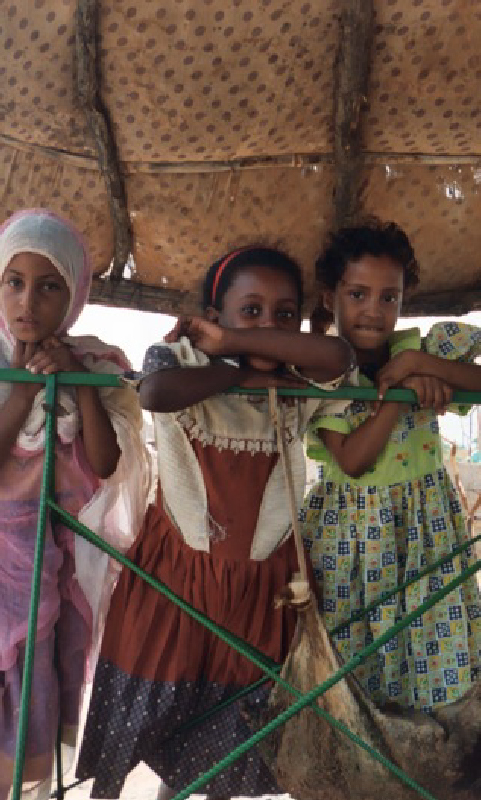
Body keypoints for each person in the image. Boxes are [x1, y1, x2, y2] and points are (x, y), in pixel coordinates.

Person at [75, 246, 354, 799]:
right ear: (213, 318)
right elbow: (155, 393)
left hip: (260, 591)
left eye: (284, 315)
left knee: (232, 729)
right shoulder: (181, 361)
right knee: (147, 716)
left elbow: (340, 356)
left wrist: (243, 342)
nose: (268, 325)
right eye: (250, 311)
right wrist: (232, 364)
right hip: (173, 584)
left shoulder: (300, 382)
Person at [0, 209, 149, 800]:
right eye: (14, 282)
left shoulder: (98, 369)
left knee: (27, 712)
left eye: (48, 287)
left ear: (73, 297)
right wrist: (23, 392)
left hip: (46, 569)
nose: (27, 302)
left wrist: (74, 382)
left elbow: (105, 462)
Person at [300, 218, 481, 713]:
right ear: (330, 297)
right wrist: (400, 397)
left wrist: (421, 367)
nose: (373, 310)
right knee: (353, 659)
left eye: (388, 297)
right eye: (357, 294)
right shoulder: (320, 373)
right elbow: (353, 460)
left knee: (431, 643)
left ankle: (423, 754)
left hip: (426, 533)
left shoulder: (421, 353)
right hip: (351, 537)